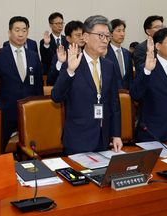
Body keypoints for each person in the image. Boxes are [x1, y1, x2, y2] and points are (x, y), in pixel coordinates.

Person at [51, 15, 122, 154]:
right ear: (85, 37)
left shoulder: (109, 66)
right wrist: (70, 71)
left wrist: (116, 134)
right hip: (78, 139)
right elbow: (56, 96)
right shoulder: (73, 62)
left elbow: (114, 103)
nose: (105, 40)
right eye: (100, 35)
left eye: (107, 36)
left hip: (103, 138)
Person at [0, 16, 44, 150]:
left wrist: (37, 107)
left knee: (31, 148)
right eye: (17, 30)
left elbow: (38, 84)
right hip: (6, 110)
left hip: (28, 110)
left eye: (24, 30)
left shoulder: (33, 55)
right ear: (10, 32)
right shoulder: (0, 54)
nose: (21, 34)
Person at [131, 28, 167, 142]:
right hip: (152, 131)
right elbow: (135, 94)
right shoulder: (147, 67)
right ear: (158, 46)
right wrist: (147, 71)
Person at [46, 20, 84, 86]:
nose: (82, 38)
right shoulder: (60, 55)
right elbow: (50, 81)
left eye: (83, 34)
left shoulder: (88, 54)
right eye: (78, 35)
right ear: (68, 38)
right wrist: (60, 62)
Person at [106, 19, 134, 90]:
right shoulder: (104, 53)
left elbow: (130, 77)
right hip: (110, 95)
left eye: (123, 31)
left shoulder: (127, 53)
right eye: (118, 31)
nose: (122, 34)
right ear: (110, 33)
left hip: (126, 96)